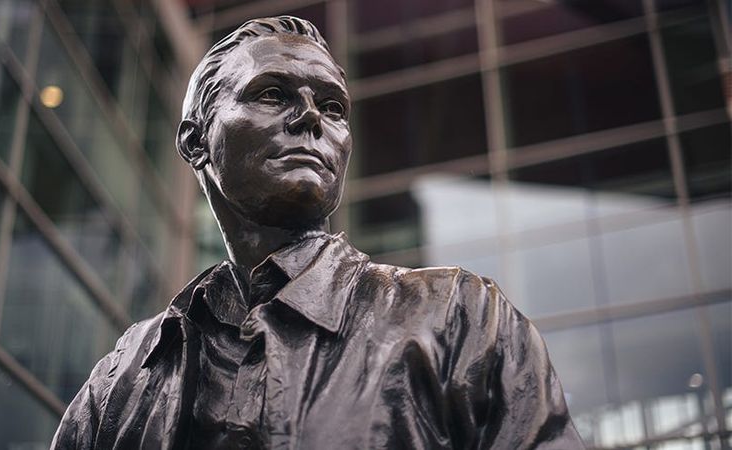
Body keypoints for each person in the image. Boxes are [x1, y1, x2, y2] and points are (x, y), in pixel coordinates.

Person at [51, 16, 584, 449]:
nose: (311, 118)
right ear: (196, 142)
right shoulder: (124, 378)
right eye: (272, 94)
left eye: (333, 107)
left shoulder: (458, 316)